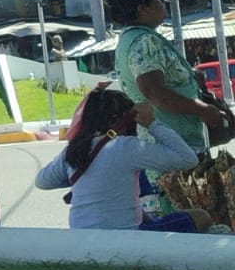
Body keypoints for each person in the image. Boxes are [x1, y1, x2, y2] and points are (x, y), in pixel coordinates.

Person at [36, 90, 209, 231]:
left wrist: (89, 175)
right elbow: (187, 159)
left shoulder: (74, 150)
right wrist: (152, 124)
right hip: (127, 238)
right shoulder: (126, 147)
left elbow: (42, 181)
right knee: (201, 217)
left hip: (81, 236)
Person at [109, 0, 227, 156]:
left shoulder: (129, 39)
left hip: (162, 144)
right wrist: (202, 109)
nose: (163, 2)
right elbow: (154, 92)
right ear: (143, 8)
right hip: (173, 147)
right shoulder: (144, 41)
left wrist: (189, 77)